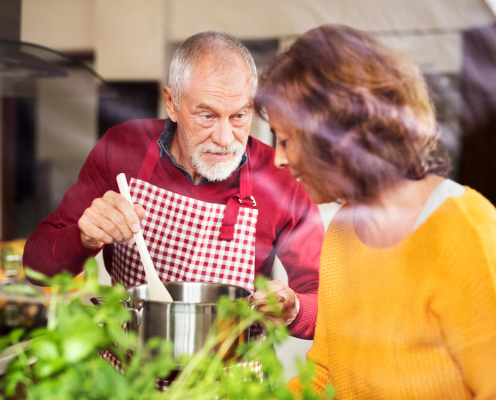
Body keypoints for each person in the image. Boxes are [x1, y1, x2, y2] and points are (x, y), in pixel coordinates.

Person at [254, 24, 496, 399]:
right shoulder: (343, 231)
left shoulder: (466, 232)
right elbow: (327, 374)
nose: (279, 159)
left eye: (286, 140)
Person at [23, 31, 325, 338]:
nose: (224, 139)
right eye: (207, 115)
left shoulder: (282, 180)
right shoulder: (121, 147)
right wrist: (82, 238)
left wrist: (294, 308)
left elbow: (328, 305)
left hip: (233, 380)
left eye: (239, 116)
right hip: (127, 375)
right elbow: (37, 266)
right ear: (172, 103)